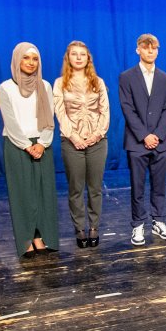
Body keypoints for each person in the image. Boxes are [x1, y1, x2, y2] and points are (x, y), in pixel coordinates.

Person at [0, 43, 59, 260]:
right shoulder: (6, 87)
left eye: (35, 59)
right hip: (18, 145)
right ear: (17, 60)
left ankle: (43, 237)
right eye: (26, 58)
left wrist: (42, 143)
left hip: (42, 143)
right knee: (22, 194)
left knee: (44, 194)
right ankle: (26, 240)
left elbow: (49, 119)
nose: (31, 63)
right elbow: (11, 122)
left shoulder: (45, 85)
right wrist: (26, 145)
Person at [119, 34, 166, 246]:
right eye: (146, 48)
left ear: (157, 51)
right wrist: (144, 135)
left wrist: (157, 135)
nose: (150, 51)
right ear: (138, 50)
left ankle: (158, 220)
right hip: (137, 142)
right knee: (138, 186)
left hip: (161, 142)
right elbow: (127, 107)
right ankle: (138, 225)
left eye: (154, 48)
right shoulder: (126, 77)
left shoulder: (165, 78)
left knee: (159, 185)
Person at [54, 41, 110, 248]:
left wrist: (96, 135)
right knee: (75, 188)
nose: (78, 57)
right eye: (74, 54)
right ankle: (79, 228)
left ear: (88, 59)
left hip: (97, 141)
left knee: (95, 188)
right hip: (71, 142)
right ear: (68, 58)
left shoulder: (98, 82)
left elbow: (105, 111)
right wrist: (74, 137)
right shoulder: (60, 83)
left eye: (82, 55)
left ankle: (94, 226)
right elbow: (60, 112)